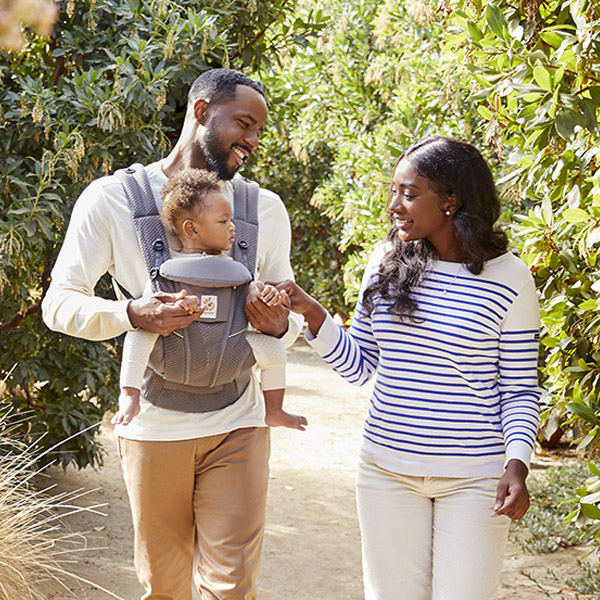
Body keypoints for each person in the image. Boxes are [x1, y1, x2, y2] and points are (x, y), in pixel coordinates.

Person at [42, 68, 303, 600]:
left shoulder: (263, 210)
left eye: (259, 131)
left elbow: (288, 314)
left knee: (232, 587)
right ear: (202, 111)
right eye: (244, 124)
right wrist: (132, 315)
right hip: (154, 427)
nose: (252, 141)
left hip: (239, 422)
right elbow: (58, 303)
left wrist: (281, 323)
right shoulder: (112, 199)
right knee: (164, 587)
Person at [277, 136, 541, 600]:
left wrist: (516, 464)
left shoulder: (511, 278)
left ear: (451, 200)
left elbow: (520, 389)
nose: (394, 206)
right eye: (394, 191)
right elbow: (361, 367)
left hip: (475, 477)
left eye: (410, 193)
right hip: (386, 472)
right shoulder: (385, 262)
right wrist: (315, 316)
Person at [112, 167, 307, 431]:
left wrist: (268, 297)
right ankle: (130, 396)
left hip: (230, 348)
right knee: (137, 336)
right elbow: (153, 307)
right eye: (223, 221)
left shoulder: (237, 268)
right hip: (170, 351)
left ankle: (274, 410)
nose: (233, 227)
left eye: (231, 220)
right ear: (191, 228)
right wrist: (179, 304)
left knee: (273, 350)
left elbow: (253, 297)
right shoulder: (168, 269)